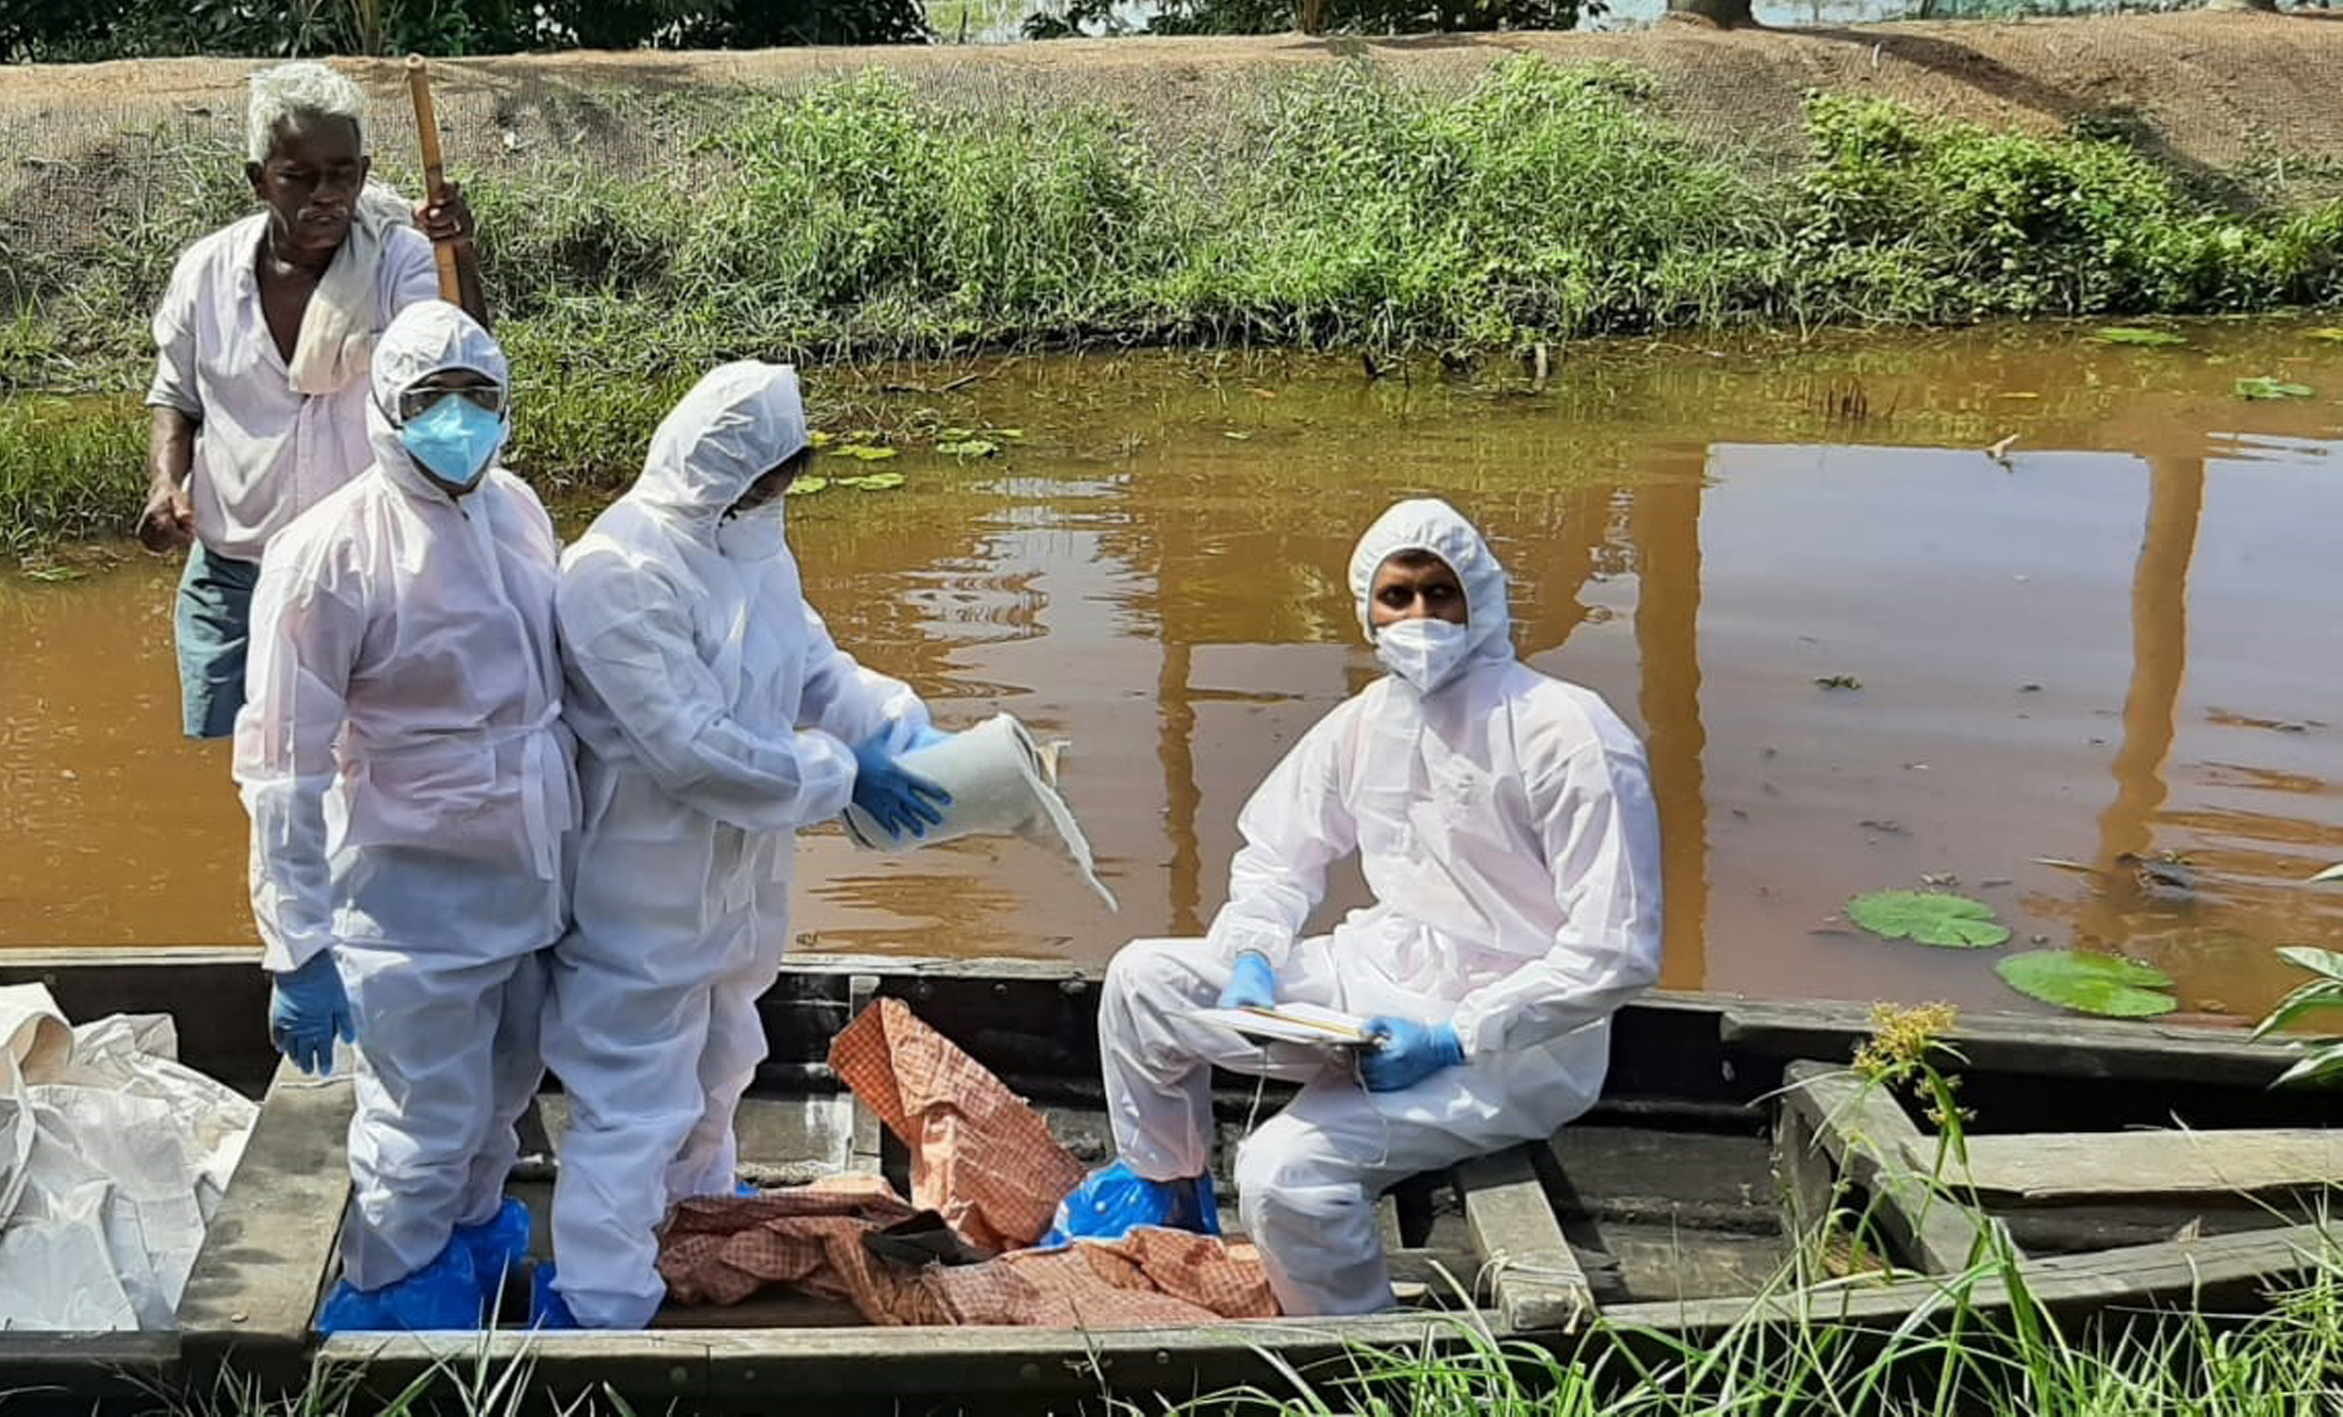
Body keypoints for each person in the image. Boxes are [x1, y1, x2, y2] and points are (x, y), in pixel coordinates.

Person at [1066, 497, 1663, 1317]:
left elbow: (1616, 950)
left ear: (1479, 598)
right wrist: (1253, 958)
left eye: (1439, 594)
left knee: (1281, 1173)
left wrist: (1456, 1035)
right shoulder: (1366, 722)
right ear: (1369, 611)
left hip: (1512, 1044)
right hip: (1379, 975)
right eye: (1397, 596)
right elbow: (1278, 855)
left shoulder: (1567, 734)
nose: (1419, 616)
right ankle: (1170, 1199)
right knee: (1142, 982)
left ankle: (1358, 1352)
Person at [538, 360, 949, 1330]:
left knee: (723, 1070)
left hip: (737, 891)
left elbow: (814, 670)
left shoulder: (752, 544)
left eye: (786, 477)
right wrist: (844, 775)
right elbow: (692, 750)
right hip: (642, 892)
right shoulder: (615, 573)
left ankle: (692, 1240)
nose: (778, 496)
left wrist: (897, 728)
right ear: (716, 468)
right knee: (633, 1106)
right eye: (765, 480)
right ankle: (603, 1321)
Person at [231, 300, 571, 1332]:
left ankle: (471, 1244)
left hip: (529, 880)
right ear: (385, 407)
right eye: (431, 400)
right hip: (406, 902)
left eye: (479, 398)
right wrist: (295, 948)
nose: (457, 421)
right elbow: (281, 765)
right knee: (420, 1123)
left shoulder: (516, 508)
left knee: (501, 1103)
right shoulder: (327, 552)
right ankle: (399, 1301)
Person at [142, 60, 490, 741]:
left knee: (355, 767)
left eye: (341, 175)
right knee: (227, 769)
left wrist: (461, 255)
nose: (324, 195)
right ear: (258, 179)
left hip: (363, 578)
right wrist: (165, 482)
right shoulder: (205, 274)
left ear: (363, 174)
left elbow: (460, 366)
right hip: (233, 575)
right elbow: (177, 398)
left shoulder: (399, 263)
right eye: (298, 177)